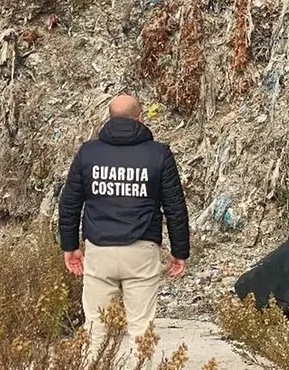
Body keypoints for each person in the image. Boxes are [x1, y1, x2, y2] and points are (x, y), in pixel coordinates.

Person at [58, 93, 190, 344]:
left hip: (99, 252)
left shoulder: (88, 153)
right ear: (140, 119)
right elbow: (175, 207)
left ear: (110, 119)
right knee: (141, 331)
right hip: (141, 252)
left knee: (96, 331)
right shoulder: (159, 154)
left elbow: (69, 203)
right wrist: (179, 251)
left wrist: (70, 247)